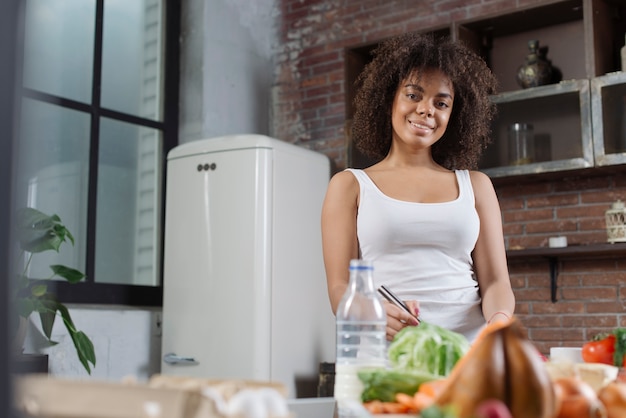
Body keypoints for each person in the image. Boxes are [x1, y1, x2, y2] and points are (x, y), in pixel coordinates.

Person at [321, 33, 515, 343]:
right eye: (413, 95)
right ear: (389, 100)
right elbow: (339, 288)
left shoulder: (476, 186)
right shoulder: (350, 186)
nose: (427, 110)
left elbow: (495, 283)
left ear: (455, 116)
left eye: (441, 103)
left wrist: (500, 320)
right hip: (386, 356)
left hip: (467, 357)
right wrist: (369, 311)